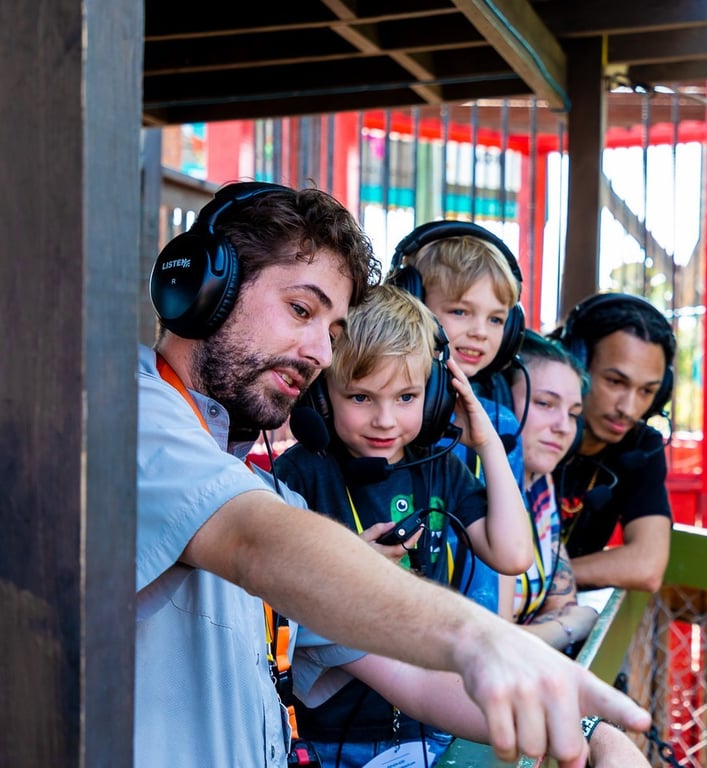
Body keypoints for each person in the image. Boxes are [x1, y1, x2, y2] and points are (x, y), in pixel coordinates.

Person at [136, 181, 649, 768]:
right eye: (301, 310)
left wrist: (585, 729)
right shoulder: (132, 418)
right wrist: (477, 635)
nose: (320, 355)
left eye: (332, 333)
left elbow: (420, 681)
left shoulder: (271, 494)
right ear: (202, 289)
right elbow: (255, 541)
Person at [273, 282, 532, 767]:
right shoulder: (302, 473)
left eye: (408, 397)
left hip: (425, 733)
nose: (385, 420)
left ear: (435, 398)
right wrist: (349, 563)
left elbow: (512, 554)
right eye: (361, 397)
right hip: (328, 738)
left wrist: (488, 445)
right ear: (321, 397)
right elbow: (279, 603)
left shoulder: (438, 466)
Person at [389, 220, 528, 616]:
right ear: (410, 302)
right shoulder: (380, 417)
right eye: (461, 311)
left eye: (496, 319)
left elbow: (504, 565)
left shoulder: (499, 425)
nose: (481, 332)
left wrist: (499, 638)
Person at [550, 292, 677, 593]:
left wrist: (543, 580)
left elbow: (647, 565)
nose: (629, 408)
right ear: (576, 363)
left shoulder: (641, 447)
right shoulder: (525, 426)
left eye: (647, 391)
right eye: (615, 382)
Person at [502, 330, 600, 652]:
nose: (563, 427)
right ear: (501, 404)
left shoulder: (540, 482)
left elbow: (561, 600)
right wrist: (572, 625)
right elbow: (496, 644)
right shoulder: (480, 490)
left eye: (573, 414)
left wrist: (553, 625)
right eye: (545, 403)